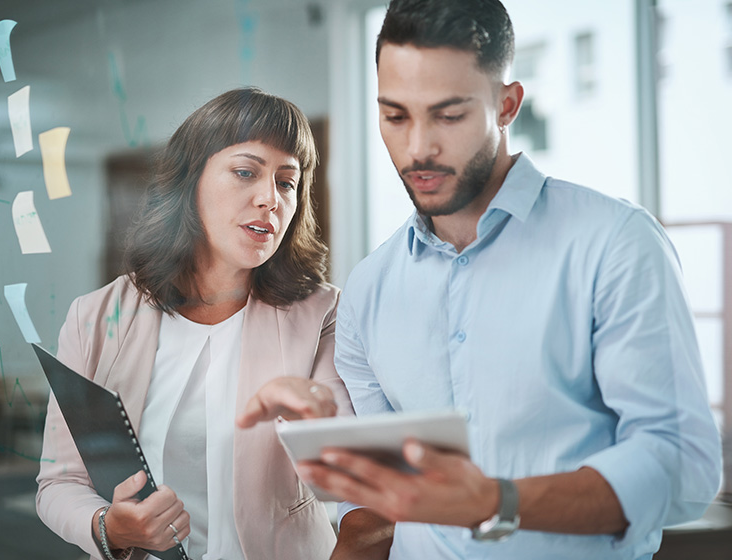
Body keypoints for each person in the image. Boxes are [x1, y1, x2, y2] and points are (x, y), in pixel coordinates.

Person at [298, 1, 723, 559]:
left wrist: (498, 500)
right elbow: (383, 501)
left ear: (506, 105)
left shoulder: (614, 243)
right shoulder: (368, 288)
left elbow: (682, 465)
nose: (418, 146)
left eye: (448, 115)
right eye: (395, 116)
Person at [36, 87, 352, 560]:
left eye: (287, 182)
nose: (270, 198)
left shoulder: (322, 312)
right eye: (246, 172)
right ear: (190, 181)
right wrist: (110, 527)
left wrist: (319, 418)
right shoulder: (96, 317)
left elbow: (349, 475)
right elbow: (59, 482)